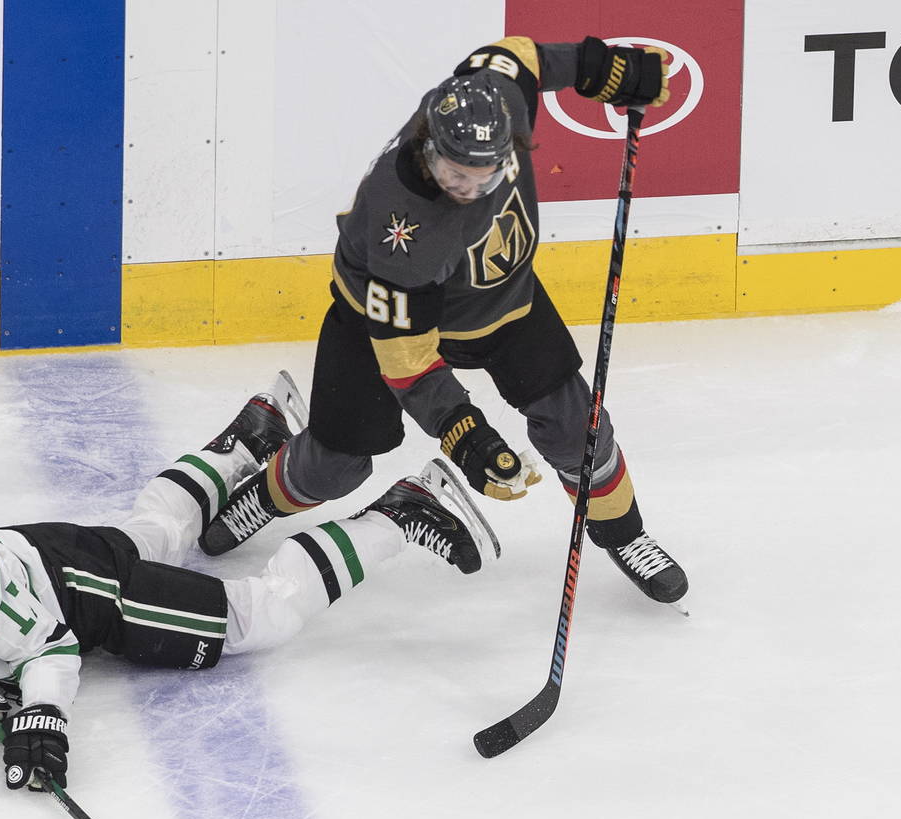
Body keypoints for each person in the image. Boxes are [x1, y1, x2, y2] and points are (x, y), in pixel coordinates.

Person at [0, 375, 497, 791]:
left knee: (259, 619)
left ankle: (403, 513)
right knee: (151, 536)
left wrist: (41, 716)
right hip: (52, 550)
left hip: (71, 593)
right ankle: (254, 433)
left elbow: (51, 649)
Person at [199, 36, 687, 605]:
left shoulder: (494, 98)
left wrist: (602, 69)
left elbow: (521, 55)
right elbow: (408, 362)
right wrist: (464, 432)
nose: (468, 189)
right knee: (335, 467)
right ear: (429, 146)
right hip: (376, 321)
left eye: (483, 176)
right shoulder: (405, 225)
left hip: (502, 304)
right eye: (455, 174)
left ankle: (626, 535)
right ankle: (269, 489)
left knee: (578, 428)